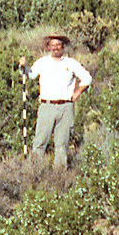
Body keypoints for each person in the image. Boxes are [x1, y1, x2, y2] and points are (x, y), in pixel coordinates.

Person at [19, 32, 92, 169]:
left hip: (66, 107)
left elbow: (87, 78)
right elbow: (30, 75)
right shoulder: (42, 62)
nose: (55, 47)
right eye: (52, 45)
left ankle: (59, 178)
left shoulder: (71, 63)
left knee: (61, 145)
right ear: (48, 47)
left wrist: (77, 92)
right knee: (39, 143)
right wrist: (23, 67)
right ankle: (33, 173)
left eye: (58, 45)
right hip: (46, 106)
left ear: (63, 46)